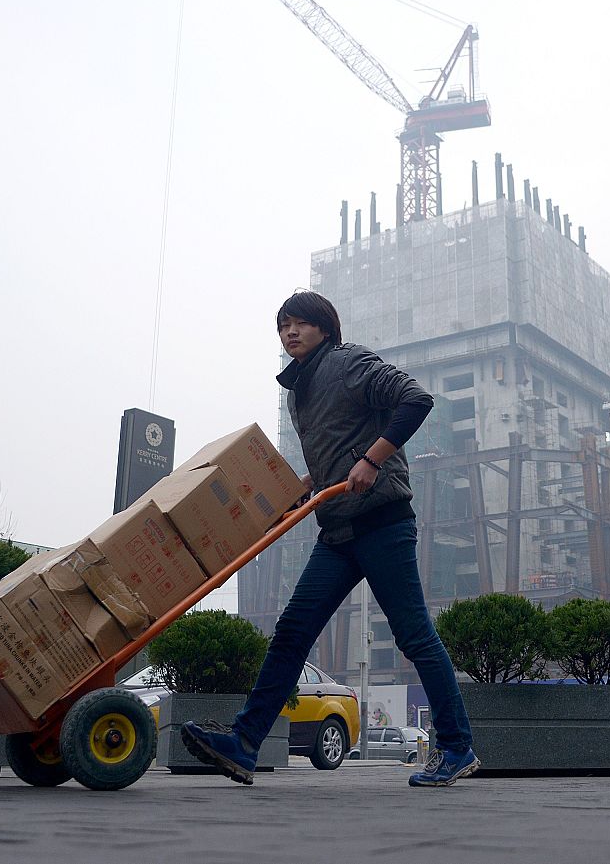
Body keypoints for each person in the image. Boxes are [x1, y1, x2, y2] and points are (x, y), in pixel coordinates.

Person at [182, 290, 479, 788]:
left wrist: (373, 458)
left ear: (325, 327)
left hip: (383, 522)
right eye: (282, 327)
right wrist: (304, 488)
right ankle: (244, 744)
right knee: (292, 632)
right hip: (337, 530)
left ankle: (456, 747)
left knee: (414, 636)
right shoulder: (301, 388)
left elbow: (416, 400)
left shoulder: (348, 362)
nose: (290, 333)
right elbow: (332, 452)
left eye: (300, 323)